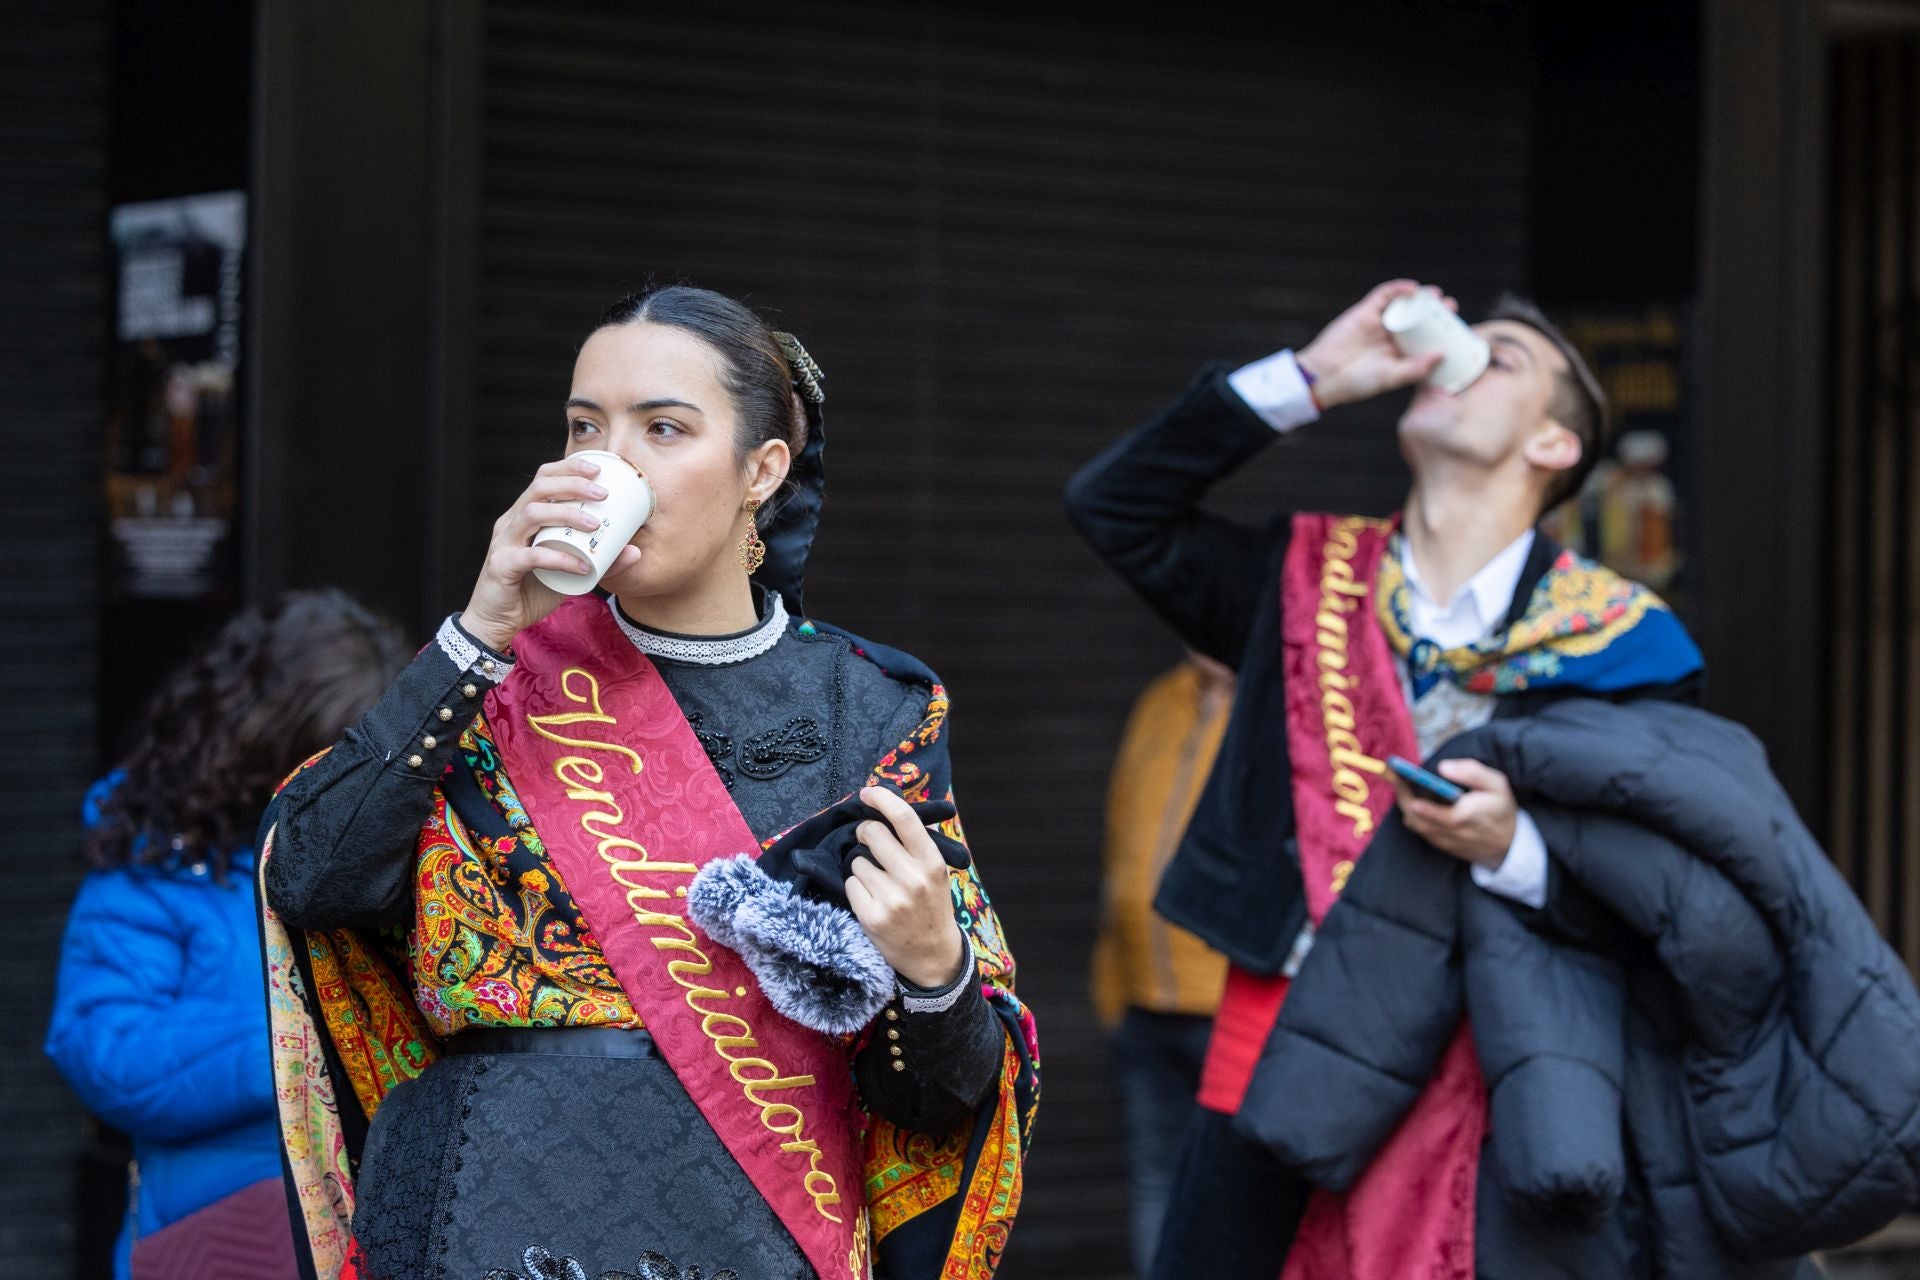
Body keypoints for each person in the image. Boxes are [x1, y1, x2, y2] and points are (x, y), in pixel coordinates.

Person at [1066, 281, 1920, 1276]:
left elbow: (1661, 900)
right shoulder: (1298, 578)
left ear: (1554, 446)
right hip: (1280, 1052)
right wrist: (1315, 378)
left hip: (1506, 1063)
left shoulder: (1618, 640)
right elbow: (1114, 504)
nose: (1458, 358)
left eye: (1500, 356)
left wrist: (1517, 849)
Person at [260, 285, 1038, 1280]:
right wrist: (483, 627)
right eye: (585, 426)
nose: (608, 461)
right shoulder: (486, 678)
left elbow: (932, 1098)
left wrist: (937, 974)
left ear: (762, 469)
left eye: (662, 427)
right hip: (474, 1222)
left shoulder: (874, 706)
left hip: (748, 1231)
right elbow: (313, 880)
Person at [45, 589, 408, 1280]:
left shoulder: (396, 864)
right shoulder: (157, 862)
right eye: (321, 760)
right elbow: (108, 1055)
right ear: (262, 742)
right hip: (218, 1238)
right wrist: (299, 1033)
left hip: (366, 1230)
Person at [1089, 652, 1232, 1275]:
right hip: (1144, 1000)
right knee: (1157, 1184)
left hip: (1233, 1008)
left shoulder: (1284, 706)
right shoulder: (1162, 697)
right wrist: (1113, 980)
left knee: (1237, 1197)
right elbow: (1120, 838)